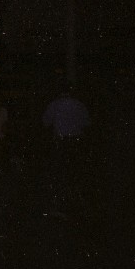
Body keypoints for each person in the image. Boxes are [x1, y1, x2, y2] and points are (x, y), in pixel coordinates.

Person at [42, 81, 90, 217]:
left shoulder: (55, 105)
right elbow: (86, 123)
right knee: (74, 172)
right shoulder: (79, 105)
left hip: (61, 141)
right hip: (75, 141)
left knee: (59, 172)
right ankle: (76, 203)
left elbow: (45, 122)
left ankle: (59, 203)